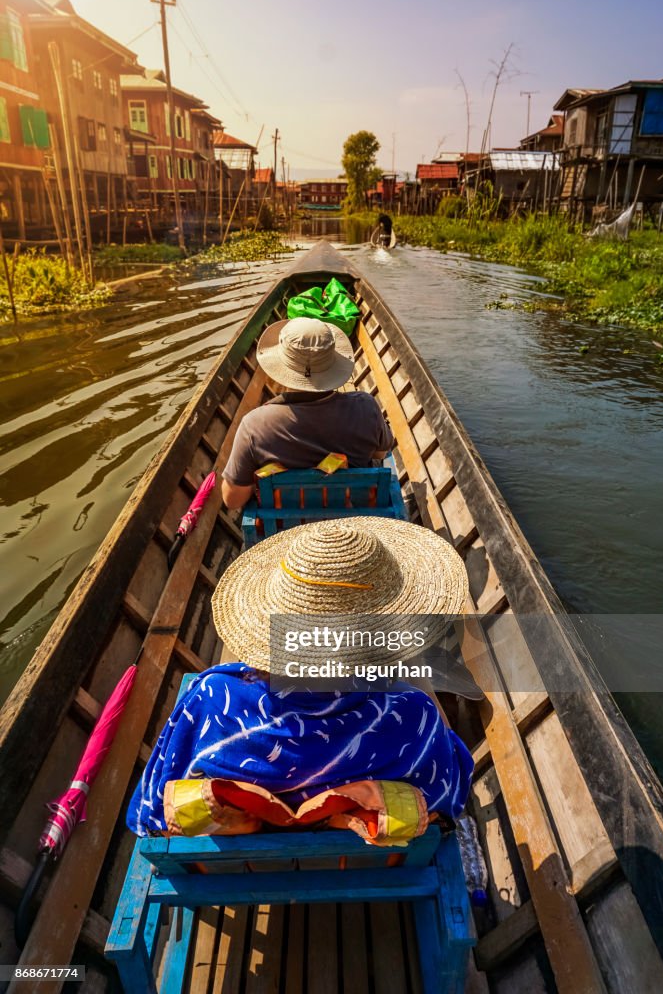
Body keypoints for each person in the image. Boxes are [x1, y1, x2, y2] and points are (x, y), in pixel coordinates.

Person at [127, 517, 476, 836]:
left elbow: (153, 809)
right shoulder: (411, 715)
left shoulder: (210, 699)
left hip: (243, 869)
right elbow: (449, 797)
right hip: (360, 868)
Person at [221, 317, 393, 509]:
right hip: (352, 525)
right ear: (332, 364)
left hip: (285, 532)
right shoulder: (366, 407)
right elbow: (381, 452)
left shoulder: (254, 425)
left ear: (279, 368)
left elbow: (232, 500)